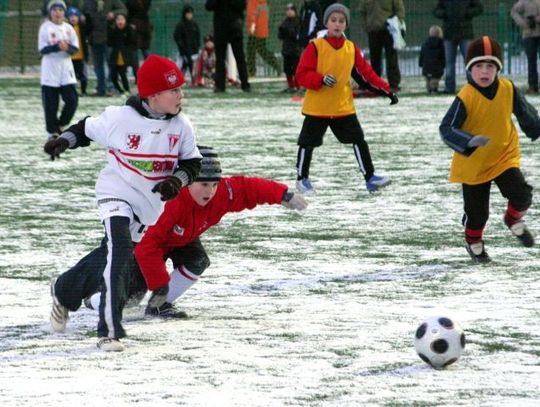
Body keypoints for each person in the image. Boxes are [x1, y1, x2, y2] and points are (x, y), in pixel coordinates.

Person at [44, 54, 202, 352]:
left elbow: (192, 162)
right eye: (175, 90)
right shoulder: (120, 118)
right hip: (115, 192)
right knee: (118, 251)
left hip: (148, 208)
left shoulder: (182, 126)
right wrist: (63, 140)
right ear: (153, 95)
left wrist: (176, 181)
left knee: (112, 255)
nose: (182, 95)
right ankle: (109, 332)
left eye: (181, 89)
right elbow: (85, 129)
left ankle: (63, 290)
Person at [130, 146, 308, 318]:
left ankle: (160, 306)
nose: (210, 191)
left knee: (198, 261)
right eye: (204, 184)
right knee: (132, 296)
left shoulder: (222, 193)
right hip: (145, 244)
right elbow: (146, 246)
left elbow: (249, 188)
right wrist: (160, 285)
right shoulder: (169, 202)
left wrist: (283, 195)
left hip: (181, 240)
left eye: (215, 184)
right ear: (185, 182)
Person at [439, 36, 540, 262]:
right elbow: (446, 128)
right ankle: (474, 243)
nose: (484, 72)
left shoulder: (507, 88)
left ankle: (513, 220)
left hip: (504, 156)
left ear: (498, 69)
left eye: (490, 66)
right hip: (473, 165)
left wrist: (536, 128)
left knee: (522, 195)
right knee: (477, 215)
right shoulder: (466, 96)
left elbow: (526, 114)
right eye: (478, 66)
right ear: (469, 69)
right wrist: (469, 140)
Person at [294, 4, 397, 195]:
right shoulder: (315, 46)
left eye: (341, 21)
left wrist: (387, 90)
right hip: (318, 107)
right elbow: (301, 74)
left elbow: (367, 75)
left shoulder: (351, 48)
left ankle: (370, 178)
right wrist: (320, 79)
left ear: (346, 25)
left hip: (342, 108)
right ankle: (302, 179)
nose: (337, 24)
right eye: (333, 20)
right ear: (326, 23)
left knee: (358, 139)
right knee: (307, 143)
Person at [38, 0, 79, 140]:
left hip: (66, 69)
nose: (58, 12)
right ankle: (52, 132)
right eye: (54, 10)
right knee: (51, 104)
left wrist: (68, 48)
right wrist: (57, 47)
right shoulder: (45, 28)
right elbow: (42, 49)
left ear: (64, 12)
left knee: (72, 100)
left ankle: (61, 124)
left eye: (60, 10)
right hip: (50, 69)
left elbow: (75, 48)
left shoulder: (68, 28)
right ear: (50, 12)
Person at [434, 0, 483, 94]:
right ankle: (449, 87)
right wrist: (446, 14)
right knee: (450, 62)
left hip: (463, 32)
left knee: (469, 61)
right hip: (451, 32)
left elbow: (479, 8)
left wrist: (467, 13)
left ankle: (472, 86)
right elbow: (436, 11)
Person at [82, 0, 127, 96]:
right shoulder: (88, 3)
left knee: (111, 65)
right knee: (98, 66)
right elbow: (82, 13)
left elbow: (123, 10)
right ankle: (101, 88)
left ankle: (111, 87)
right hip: (94, 38)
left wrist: (114, 13)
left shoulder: (112, 2)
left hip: (109, 38)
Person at [359, 0, 405, 93]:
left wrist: (397, 23)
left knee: (391, 58)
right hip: (373, 30)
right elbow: (362, 10)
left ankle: (394, 84)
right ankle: (375, 83)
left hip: (389, 29)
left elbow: (399, 9)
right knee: (374, 58)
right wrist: (366, 25)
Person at [205, 0, 251, 92]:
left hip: (235, 28)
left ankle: (245, 84)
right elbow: (208, 6)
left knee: (240, 57)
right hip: (220, 28)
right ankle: (220, 86)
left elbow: (243, 5)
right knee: (220, 59)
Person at [511, 0, 540, 93]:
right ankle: (532, 85)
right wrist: (523, 23)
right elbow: (513, 11)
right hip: (529, 34)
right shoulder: (525, 1)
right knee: (531, 61)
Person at [246, 0, 280, 77]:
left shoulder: (253, 1)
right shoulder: (263, 2)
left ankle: (251, 71)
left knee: (251, 51)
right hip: (263, 29)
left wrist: (252, 26)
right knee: (261, 50)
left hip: (255, 29)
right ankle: (275, 64)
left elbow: (251, 13)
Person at [107, 12, 137, 95]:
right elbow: (109, 42)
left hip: (125, 56)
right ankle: (120, 90)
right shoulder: (113, 30)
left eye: (122, 19)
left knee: (123, 74)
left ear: (125, 21)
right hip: (115, 56)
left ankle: (126, 90)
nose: (120, 22)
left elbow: (133, 42)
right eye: (118, 20)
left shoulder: (129, 29)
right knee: (113, 76)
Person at [173, 5, 201, 82]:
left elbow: (198, 37)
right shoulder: (180, 25)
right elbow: (177, 38)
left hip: (193, 51)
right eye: (188, 13)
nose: (189, 15)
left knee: (194, 67)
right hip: (183, 51)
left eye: (191, 13)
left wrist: (197, 46)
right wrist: (182, 48)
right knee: (182, 66)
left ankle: (194, 80)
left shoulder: (194, 25)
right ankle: (178, 80)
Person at [278, 3, 301, 92]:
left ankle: (297, 85)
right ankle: (290, 85)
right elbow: (280, 37)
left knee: (296, 68)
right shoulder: (284, 23)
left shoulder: (298, 22)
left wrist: (289, 32)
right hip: (286, 49)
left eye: (291, 10)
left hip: (295, 50)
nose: (289, 12)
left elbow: (296, 35)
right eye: (287, 10)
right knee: (287, 68)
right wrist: (282, 31)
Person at [66, 6, 89, 96]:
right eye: (71, 16)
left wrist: (87, 16)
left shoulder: (82, 27)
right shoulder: (66, 28)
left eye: (75, 16)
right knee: (71, 76)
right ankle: (73, 92)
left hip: (81, 56)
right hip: (70, 57)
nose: (73, 18)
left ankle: (83, 91)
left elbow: (90, 27)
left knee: (83, 76)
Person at [419, 25, 445, 94]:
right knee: (435, 80)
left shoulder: (425, 43)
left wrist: (421, 63)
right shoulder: (441, 44)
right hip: (437, 67)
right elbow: (443, 56)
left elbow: (422, 54)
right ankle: (434, 89)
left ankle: (429, 89)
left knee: (428, 79)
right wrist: (443, 64)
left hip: (426, 66)